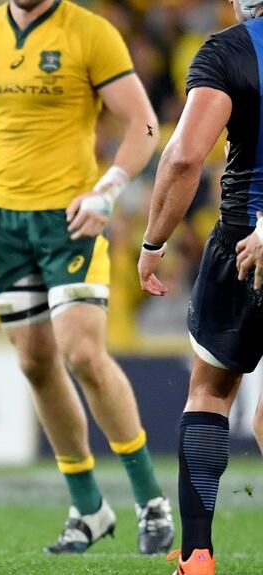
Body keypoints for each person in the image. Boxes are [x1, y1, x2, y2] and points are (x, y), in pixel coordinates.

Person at [0, 0, 173, 555]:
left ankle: (149, 499)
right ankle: (87, 507)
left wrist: (107, 191)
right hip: (4, 220)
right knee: (35, 362)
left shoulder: (89, 32)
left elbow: (143, 123)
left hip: (71, 217)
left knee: (83, 354)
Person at [138, 1, 263, 572]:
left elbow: (186, 155)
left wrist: (153, 242)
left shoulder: (228, 50)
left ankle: (197, 554)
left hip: (241, 242)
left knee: (210, 393)